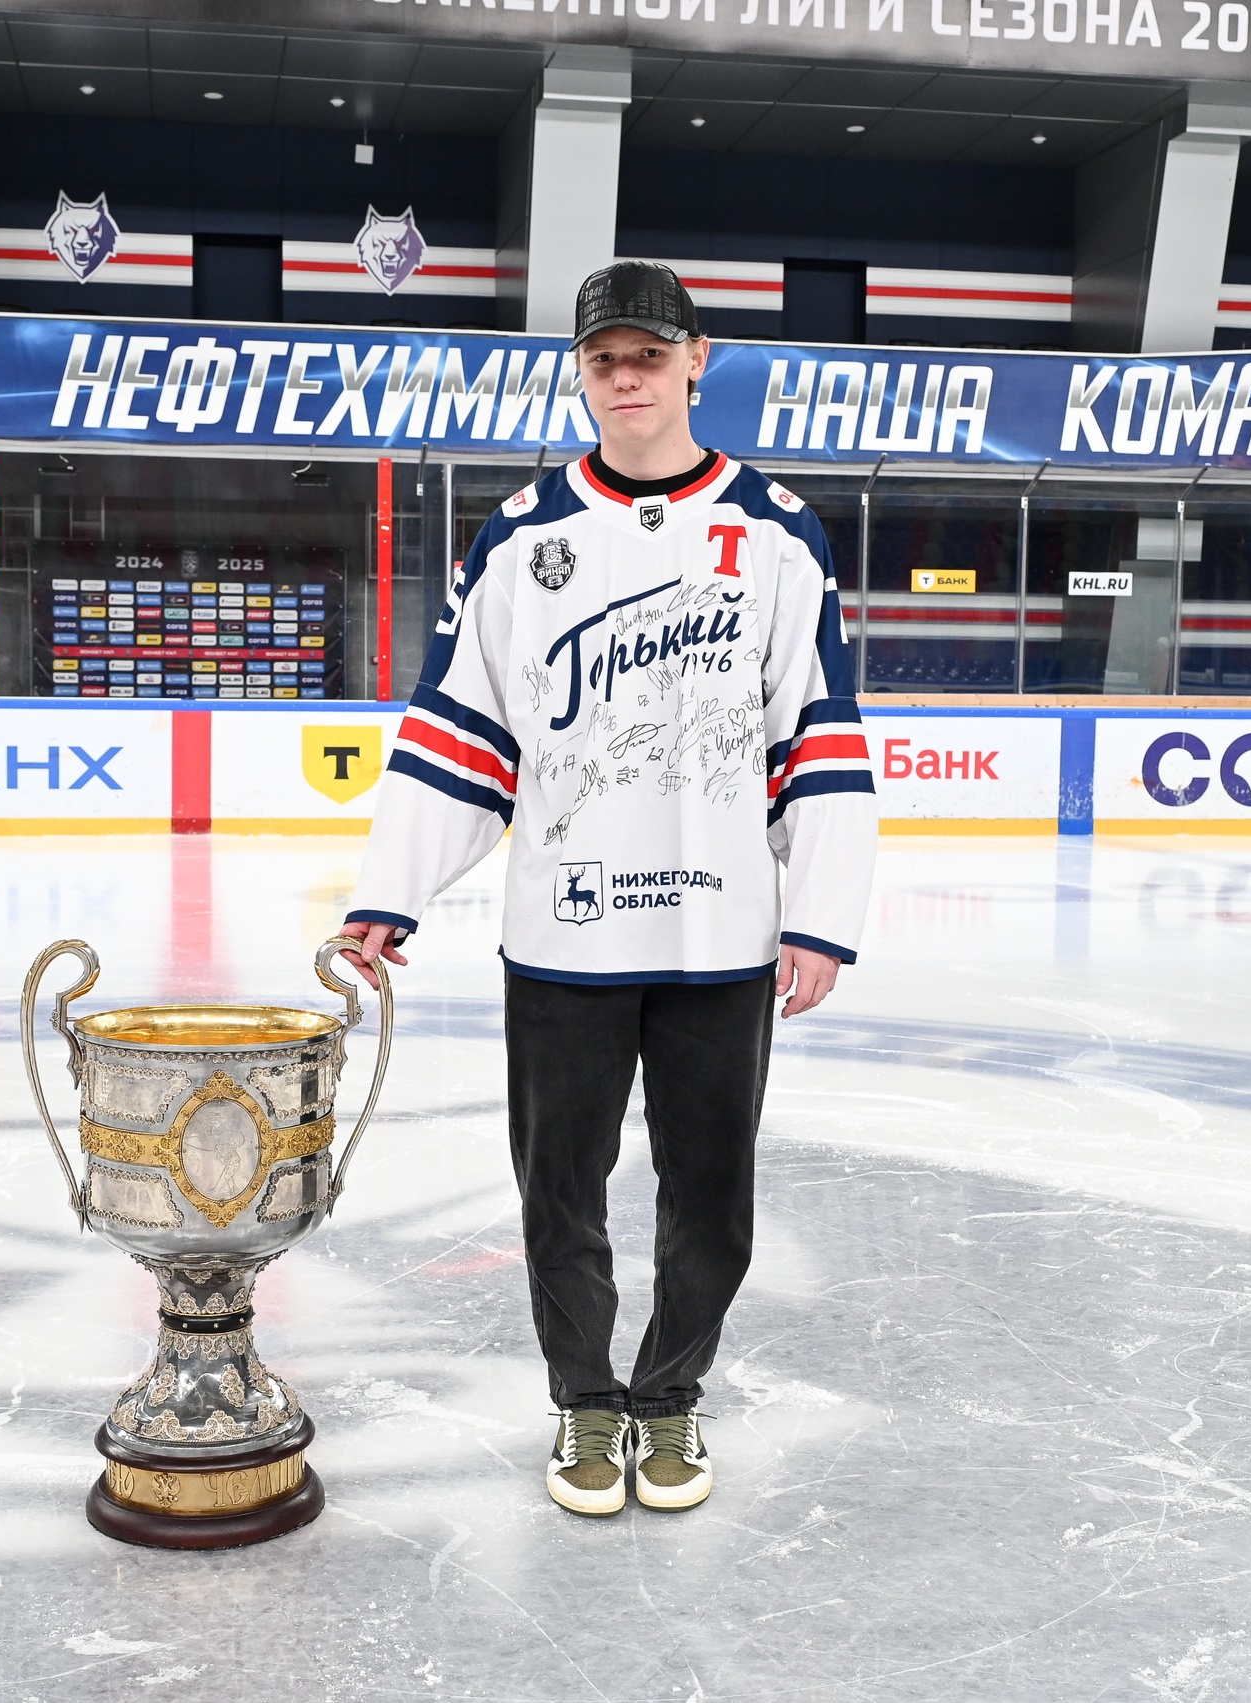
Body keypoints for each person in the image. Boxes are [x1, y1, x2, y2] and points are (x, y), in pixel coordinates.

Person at [339, 261, 878, 1516]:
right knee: (558, 1189)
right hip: (564, 936)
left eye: (648, 353)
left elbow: (815, 727)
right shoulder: (523, 533)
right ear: (580, 373)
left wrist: (819, 913)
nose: (626, 376)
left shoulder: (779, 529)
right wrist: (390, 890)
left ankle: (670, 1393)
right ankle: (586, 1396)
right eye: (603, 359)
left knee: (712, 1191)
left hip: (721, 932)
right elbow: (463, 726)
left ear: (696, 359)